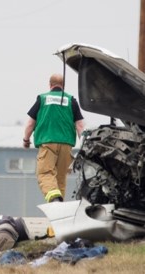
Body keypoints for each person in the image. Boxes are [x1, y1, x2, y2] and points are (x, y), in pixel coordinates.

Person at [23, 73, 85, 203]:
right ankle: (56, 219)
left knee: (45, 174)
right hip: (66, 145)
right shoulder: (71, 101)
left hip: (48, 143)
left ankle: (54, 199)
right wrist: (85, 146)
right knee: (60, 180)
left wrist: (26, 140)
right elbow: (80, 126)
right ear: (63, 86)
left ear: (50, 85)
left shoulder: (42, 99)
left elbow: (30, 123)